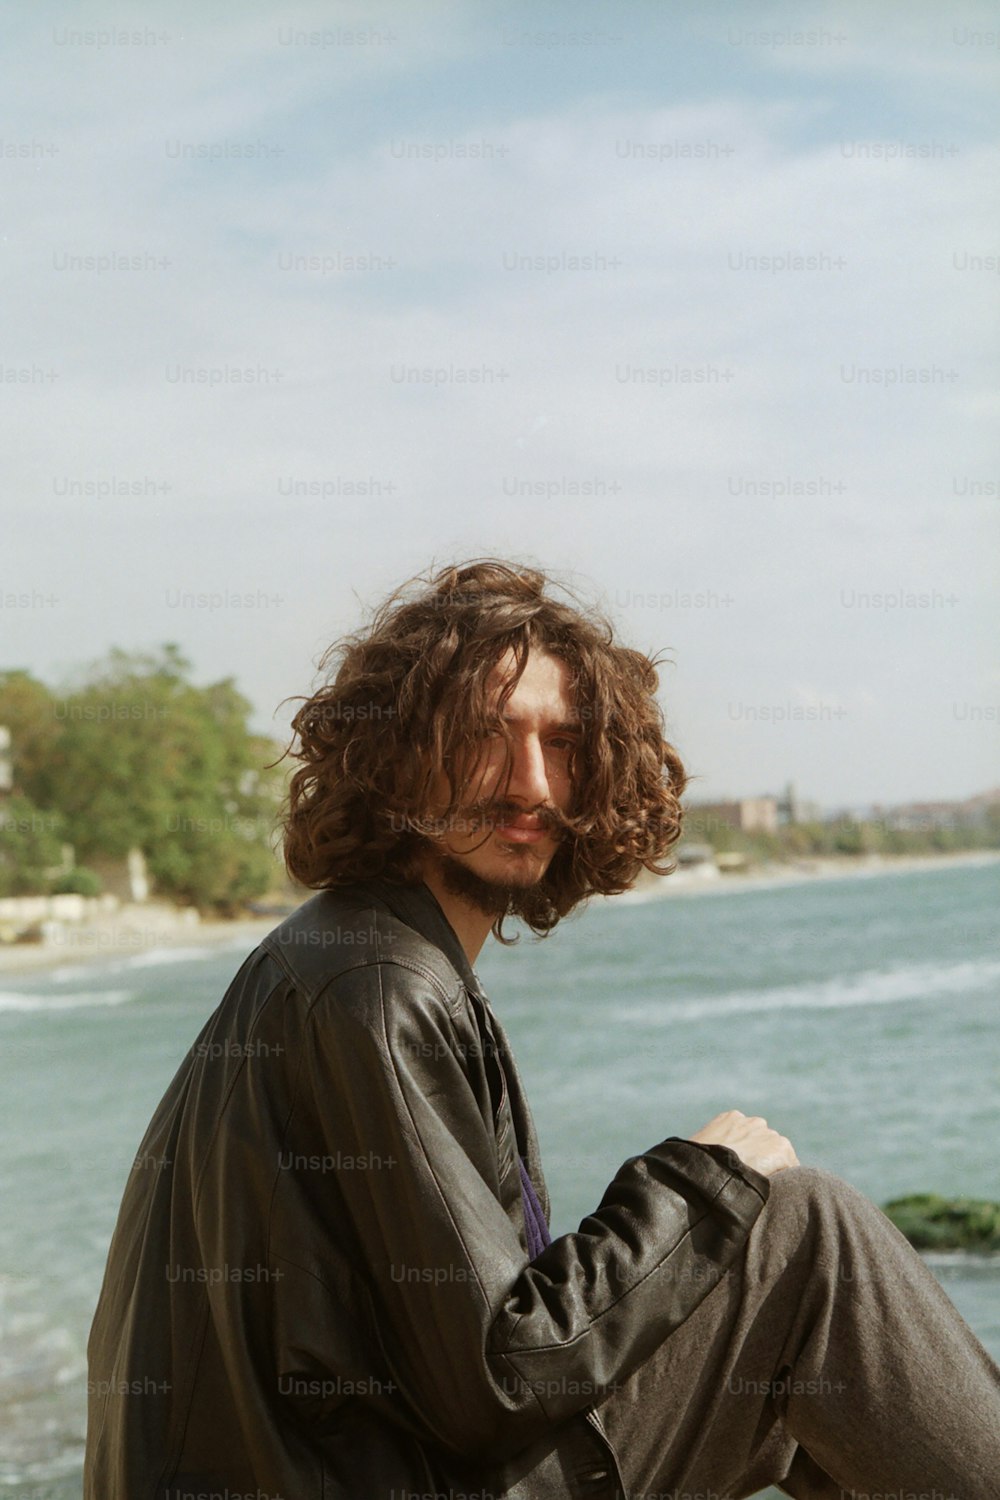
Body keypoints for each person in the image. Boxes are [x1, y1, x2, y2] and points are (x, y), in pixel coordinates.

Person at [84, 558, 1000, 1499]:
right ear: (398, 752)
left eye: (564, 744)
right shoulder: (377, 983)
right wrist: (699, 1184)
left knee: (787, 1383)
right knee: (801, 1236)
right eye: (488, 735)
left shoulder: (351, 956)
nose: (532, 783)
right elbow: (497, 1375)